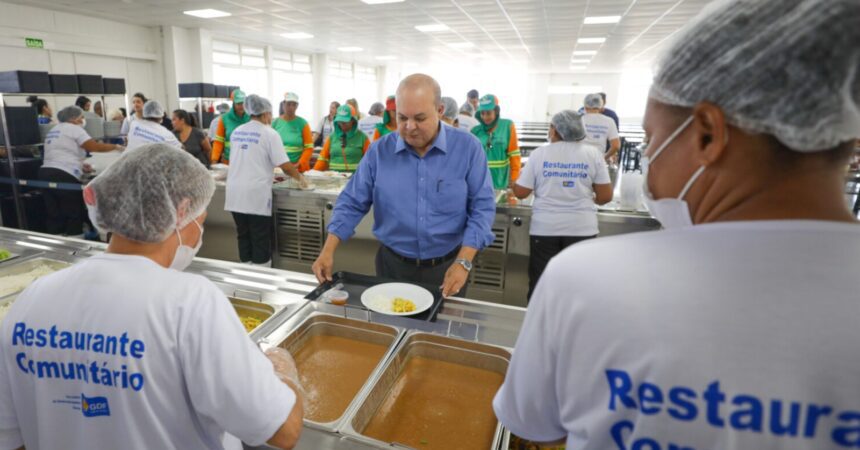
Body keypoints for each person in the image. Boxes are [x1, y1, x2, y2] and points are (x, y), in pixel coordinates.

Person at [493, 1, 860, 450]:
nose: (649, 161)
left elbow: (533, 429)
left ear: (708, 133)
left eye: (651, 140)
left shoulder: (588, 281)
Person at [0, 143, 305, 449]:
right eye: (201, 220)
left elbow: (12, 438)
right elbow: (283, 431)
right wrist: (283, 370)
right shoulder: (190, 302)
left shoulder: (33, 297)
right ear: (182, 211)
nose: (201, 230)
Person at [312, 74, 496, 297]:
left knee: (440, 331)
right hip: (393, 266)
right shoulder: (380, 152)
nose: (410, 127)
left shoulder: (468, 148)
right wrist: (328, 249)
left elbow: (482, 208)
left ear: (440, 110)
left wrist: (464, 261)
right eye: (402, 118)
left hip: (448, 267)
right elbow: (352, 201)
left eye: (420, 118)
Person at [512, 110, 612, 300]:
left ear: (556, 130)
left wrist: (517, 181)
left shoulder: (539, 154)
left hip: (545, 229)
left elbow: (521, 192)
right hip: (582, 229)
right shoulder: (593, 154)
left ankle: (540, 326)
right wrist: (589, 198)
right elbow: (605, 196)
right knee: (577, 287)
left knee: (542, 285)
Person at [225, 95, 307, 267]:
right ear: (266, 113)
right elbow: (285, 165)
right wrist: (301, 178)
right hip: (255, 194)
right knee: (260, 238)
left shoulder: (237, 132)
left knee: (243, 236)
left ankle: (245, 279)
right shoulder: (269, 133)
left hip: (234, 192)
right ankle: (261, 283)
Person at [38, 105, 123, 236]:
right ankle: (76, 244)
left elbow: (60, 152)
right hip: (63, 174)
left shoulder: (54, 130)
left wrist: (80, 165)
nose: (83, 120)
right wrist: (116, 147)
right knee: (73, 211)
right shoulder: (74, 129)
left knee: (54, 212)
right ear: (74, 119)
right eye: (81, 117)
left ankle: (56, 243)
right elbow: (93, 147)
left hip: (45, 173)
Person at [471, 94, 521, 190]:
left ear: (496, 111)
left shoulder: (507, 126)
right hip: (479, 181)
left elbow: (514, 154)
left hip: (500, 181)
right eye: (482, 113)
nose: (485, 117)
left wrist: (515, 178)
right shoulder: (475, 131)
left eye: (488, 113)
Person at [313, 104, 370, 172]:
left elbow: (370, 160)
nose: (342, 123)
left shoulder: (362, 138)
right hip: (334, 179)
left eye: (345, 121)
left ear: (353, 120)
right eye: (340, 121)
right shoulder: (331, 138)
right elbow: (323, 158)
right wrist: (314, 173)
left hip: (355, 179)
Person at [271, 92, 313, 172]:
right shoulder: (275, 123)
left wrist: (299, 164)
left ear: (297, 106)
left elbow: (309, 148)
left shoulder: (303, 123)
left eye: (294, 105)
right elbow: (270, 146)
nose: (291, 107)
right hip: (278, 168)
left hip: (298, 168)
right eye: (288, 104)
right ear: (283, 104)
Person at [211, 89, 250, 164]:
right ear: (233, 103)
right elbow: (218, 141)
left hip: (248, 159)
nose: (241, 106)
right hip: (230, 160)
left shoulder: (251, 118)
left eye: (243, 103)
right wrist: (214, 159)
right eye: (238, 103)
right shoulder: (225, 119)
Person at [582, 93, 620, 162]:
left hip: (581, 159)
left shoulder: (578, 120)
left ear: (585, 106)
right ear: (601, 106)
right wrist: (604, 157)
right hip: (598, 159)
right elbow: (616, 146)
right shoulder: (609, 121)